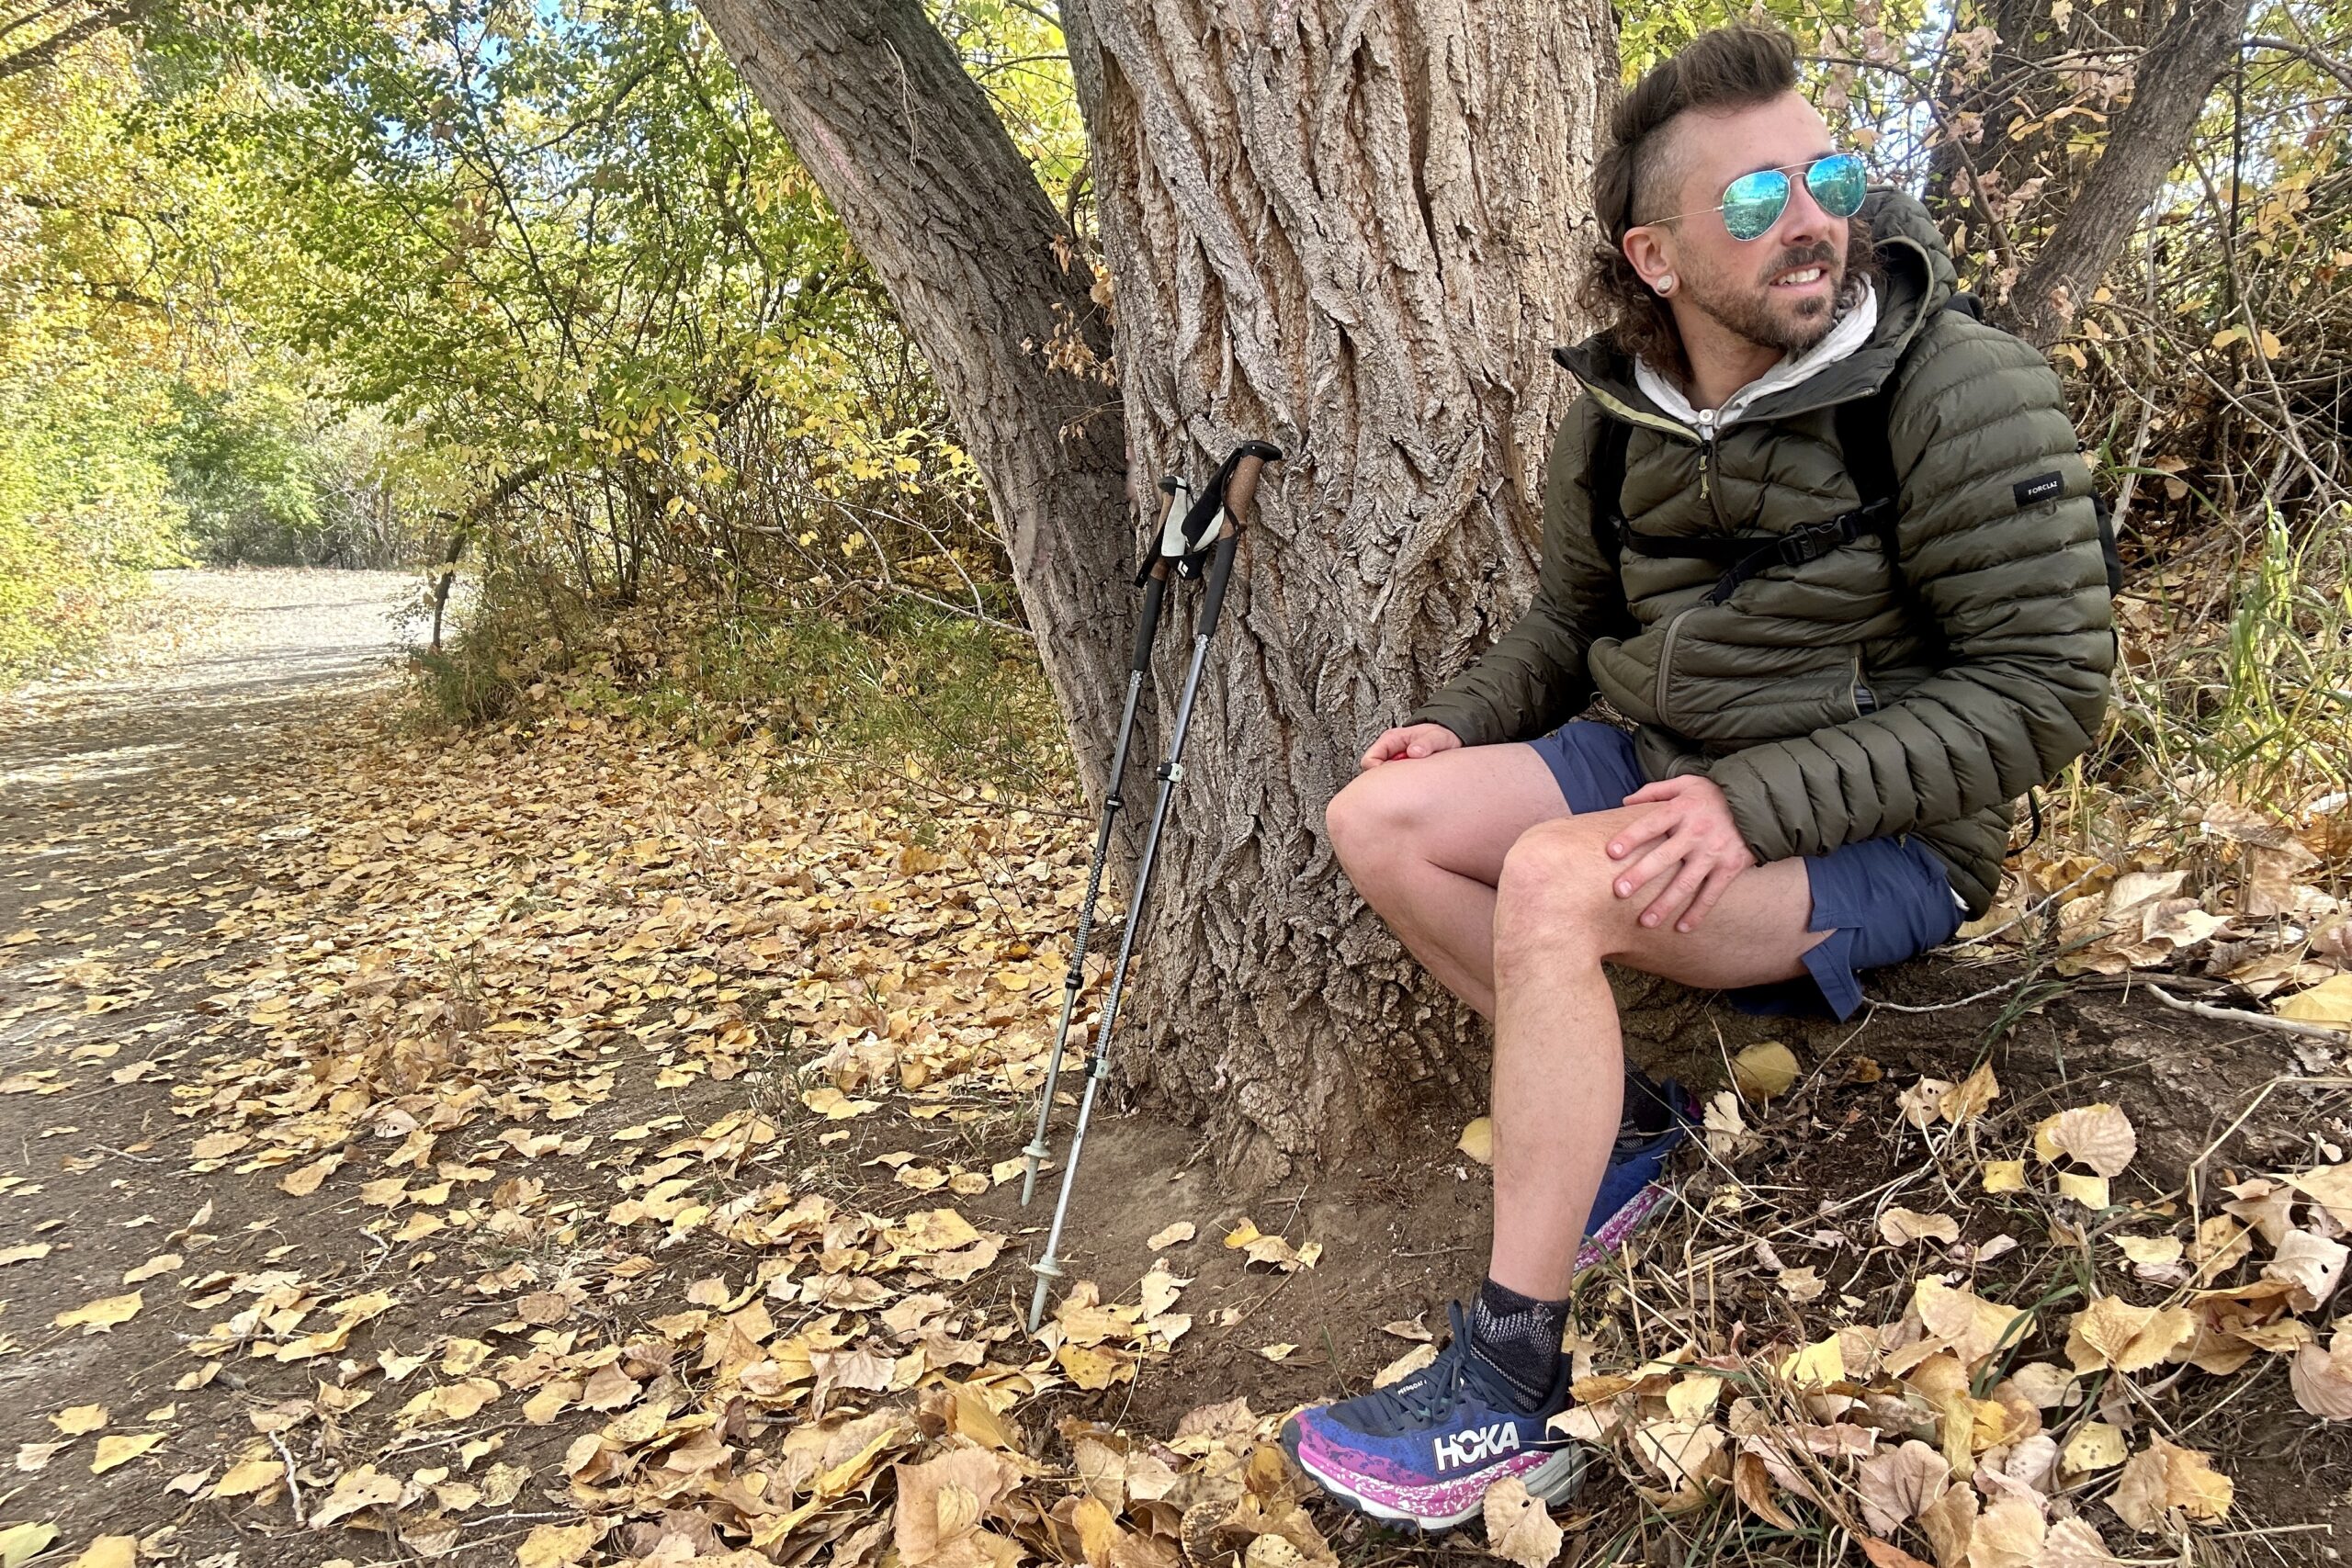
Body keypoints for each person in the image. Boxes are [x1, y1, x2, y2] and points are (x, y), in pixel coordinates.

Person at [1278, 24, 2114, 1531]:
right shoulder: (1616, 415)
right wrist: (1463, 725)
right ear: (1654, 255)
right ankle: (1631, 1129)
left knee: (1549, 881)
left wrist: (1755, 804)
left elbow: (2045, 690)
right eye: (1754, 202)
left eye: (1828, 177)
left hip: (1882, 831)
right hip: (1659, 755)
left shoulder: (1957, 386)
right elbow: (1570, 622)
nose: (1810, 221)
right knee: (1380, 819)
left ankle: (1507, 1392)